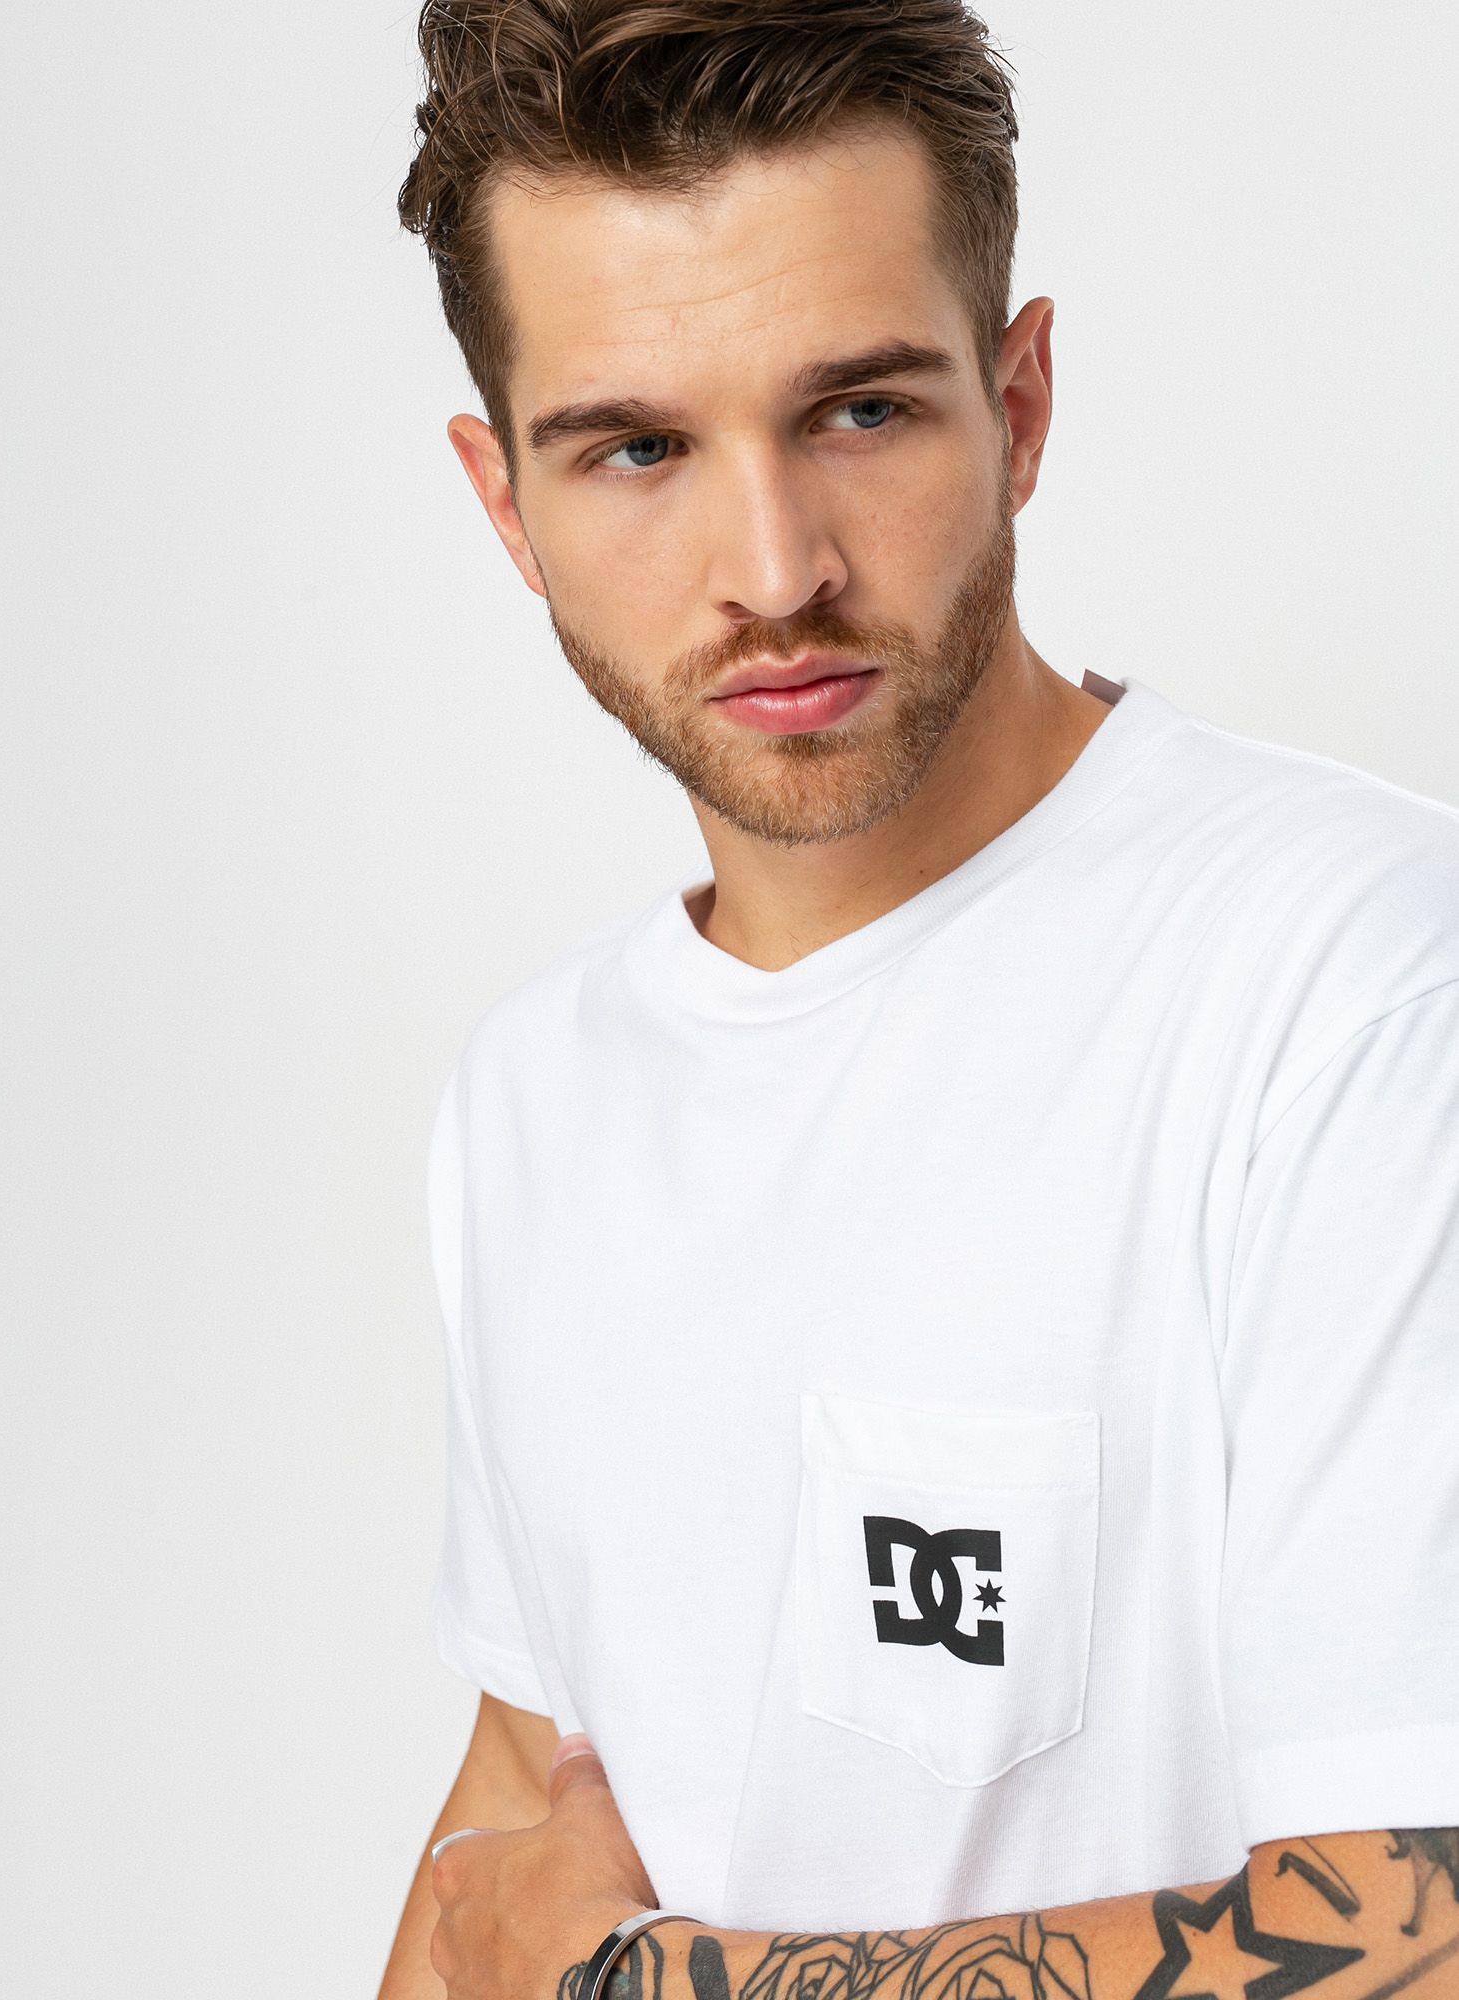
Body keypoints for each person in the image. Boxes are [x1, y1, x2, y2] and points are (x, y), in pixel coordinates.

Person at [376, 4, 1459, 1998]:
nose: (773, 568)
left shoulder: (1361, 985)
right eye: (637, 449)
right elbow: (520, 1805)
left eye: (860, 412)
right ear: (505, 502)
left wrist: (640, 1986)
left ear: (1020, 403)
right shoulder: (534, 1093)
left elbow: (1427, 1928)